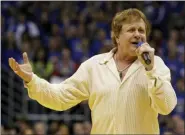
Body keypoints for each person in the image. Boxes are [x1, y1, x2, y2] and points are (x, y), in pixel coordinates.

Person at [8, 8, 177, 134]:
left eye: (141, 30)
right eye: (131, 30)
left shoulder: (156, 65)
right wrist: (32, 80)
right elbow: (60, 98)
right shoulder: (94, 66)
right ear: (117, 37)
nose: (138, 35)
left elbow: (167, 106)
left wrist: (150, 70)